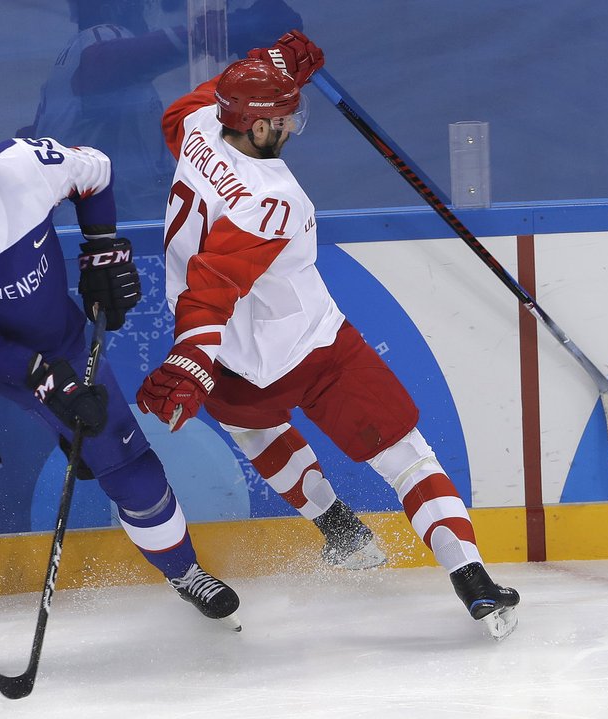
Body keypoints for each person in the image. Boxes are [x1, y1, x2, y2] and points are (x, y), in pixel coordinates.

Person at [136, 31, 521, 639]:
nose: (292, 125)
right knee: (407, 456)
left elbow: (192, 105)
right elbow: (215, 280)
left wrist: (272, 67)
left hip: (230, 359)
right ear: (259, 129)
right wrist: (188, 361)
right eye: (285, 117)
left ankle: (339, 529)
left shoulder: (197, 128)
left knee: (254, 427)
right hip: (313, 348)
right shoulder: (274, 199)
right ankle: (472, 579)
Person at [0, 108, 241, 665]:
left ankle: (186, 572)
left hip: (55, 336)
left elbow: (96, 173)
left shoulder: (23, 167)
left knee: (131, 471)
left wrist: (101, 247)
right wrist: (45, 380)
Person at [24, 0, 304, 224]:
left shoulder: (103, 78)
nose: (152, 11)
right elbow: (103, 62)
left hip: (110, 226)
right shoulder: (99, 36)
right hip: (102, 231)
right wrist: (213, 32)